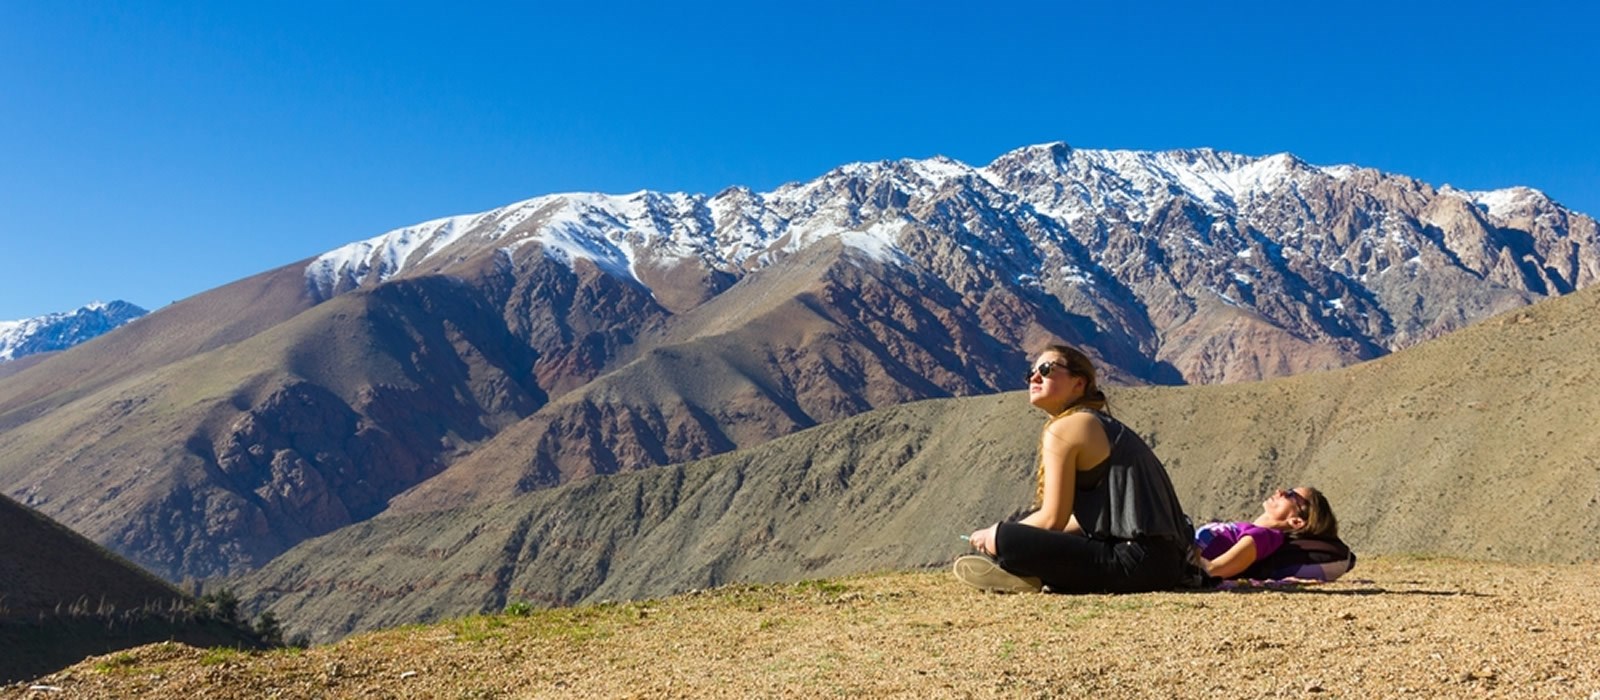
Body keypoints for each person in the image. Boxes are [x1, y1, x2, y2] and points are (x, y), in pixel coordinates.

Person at [954, 344, 1193, 594]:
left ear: (1078, 383)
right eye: (1031, 372)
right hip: (1164, 563)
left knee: (1004, 537)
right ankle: (1029, 574)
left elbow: (1052, 519)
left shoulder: (1068, 426)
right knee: (1018, 529)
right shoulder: (1094, 422)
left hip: (1137, 561)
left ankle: (1023, 569)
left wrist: (994, 538)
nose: (1034, 377)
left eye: (1046, 369)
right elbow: (1079, 521)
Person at [1193, 486, 1339, 579]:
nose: (1280, 491)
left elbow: (1213, 570)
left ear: (1296, 521)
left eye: (1290, 495)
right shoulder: (1248, 529)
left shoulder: (1264, 537)